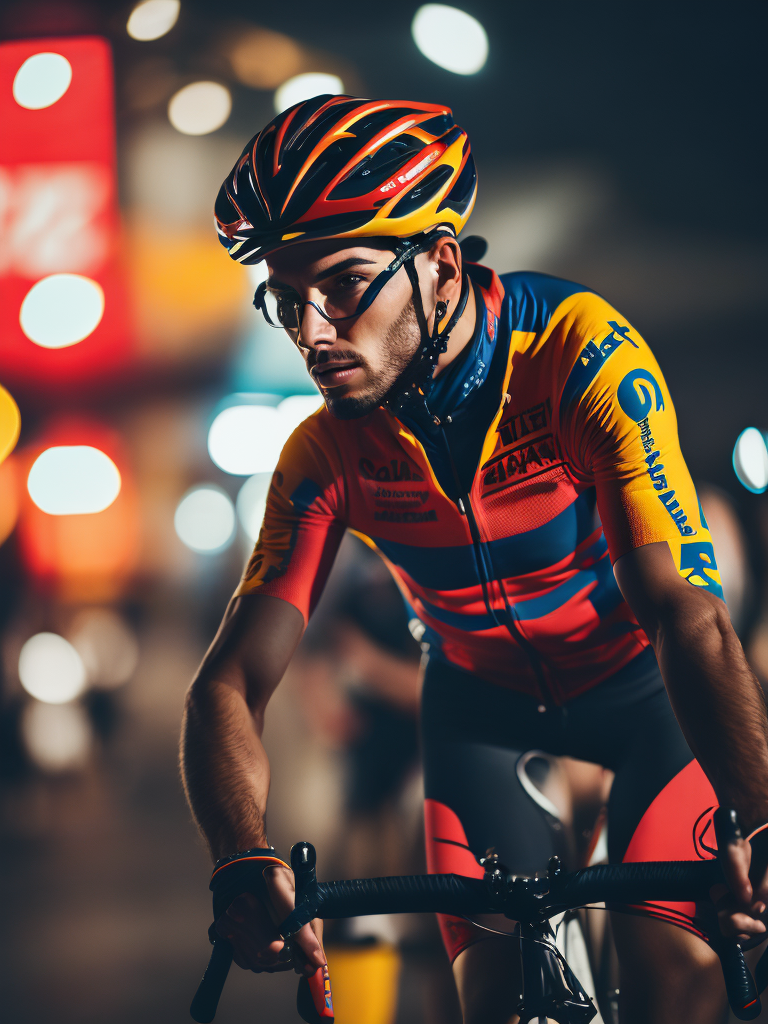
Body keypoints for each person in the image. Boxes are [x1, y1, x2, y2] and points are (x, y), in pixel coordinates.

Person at [181, 96, 768, 1024]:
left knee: (674, 984)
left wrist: (760, 815)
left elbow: (683, 613)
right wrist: (240, 855)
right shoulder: (325, 452)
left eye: (342, 285)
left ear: (442, 264)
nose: (313, 332)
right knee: (498, 1004)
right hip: (481, 716)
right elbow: (228, 683)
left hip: (642, 696)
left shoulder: (579, 357)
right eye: (286, 300)